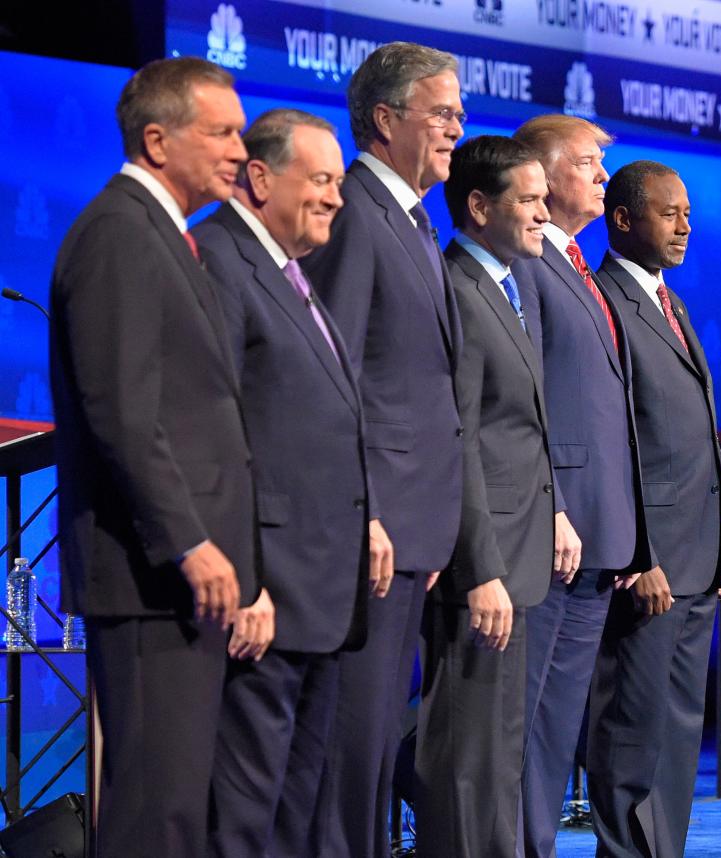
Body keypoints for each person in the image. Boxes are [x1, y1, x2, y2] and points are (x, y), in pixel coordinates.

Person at [48, 57, 254, 858]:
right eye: (224, 132)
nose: (241, 148)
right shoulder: (118, 233)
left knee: (181, 809)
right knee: (151, 814)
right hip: (149, 575)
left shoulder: (165, 233)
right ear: (158, 140)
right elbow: (123, 413)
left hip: (184, 580)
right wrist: (190, 541)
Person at [192, 108, 393, 858]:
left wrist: (367, 519)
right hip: (266, 596)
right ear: (260, 177)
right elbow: (218, 433)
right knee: (244, 817)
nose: (337, 198)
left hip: (322, 594)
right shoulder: (219, 259)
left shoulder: (290, 272)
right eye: (321, 181)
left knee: (295, 814)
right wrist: (246, 576)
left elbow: (326, 418)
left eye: (340, 182)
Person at [299, 41, 465, 858]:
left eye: (459, 114)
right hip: (374, 531)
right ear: (384, 118)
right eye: (442, 113)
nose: (456, 129)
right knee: (348, 750)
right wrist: (364, 511)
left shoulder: (410, 219)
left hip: (413, 533)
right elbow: (337, 377)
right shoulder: (355, 212)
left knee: (370, 758)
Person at [414, 134, 556, 857]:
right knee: (465, 755)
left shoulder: (508, 283)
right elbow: (460, 438)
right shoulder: (459, 291)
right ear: (477, 207)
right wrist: (482, 568)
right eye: (528, 200)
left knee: (499, 749)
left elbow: (519, 423)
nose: (544, 212)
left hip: (522, 547)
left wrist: (554, 510)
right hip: (486, 563)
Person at [510, 114, 646, 858]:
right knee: (526, 722)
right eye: (590, 162)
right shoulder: (526, 264)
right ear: (544, 170)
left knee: (558, 724)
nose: (602, 176)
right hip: (552, 531)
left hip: (601, 531)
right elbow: (522, 400)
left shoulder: (576, 264)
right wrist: (555, 505)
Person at [587, 160, 721, 857]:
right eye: (669, 212)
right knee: (633, 731)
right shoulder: (605, 298)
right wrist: (640, 553)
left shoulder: (668, 301)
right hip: (650, 563)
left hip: (698, 556)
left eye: (687, 212)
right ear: (622, 219)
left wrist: (719, 546)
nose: (686, 225)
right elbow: (616, 438)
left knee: (677, 736)